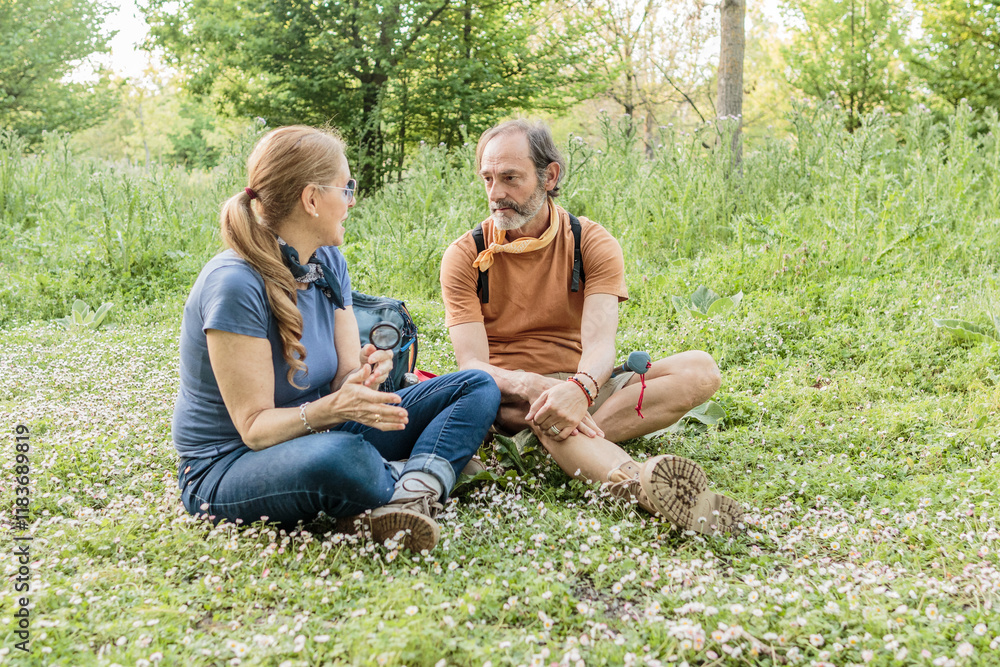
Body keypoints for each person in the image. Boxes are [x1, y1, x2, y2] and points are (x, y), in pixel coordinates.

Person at [172, 125, 500, 552]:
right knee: (344, 456)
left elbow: (344, 379)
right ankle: (424, 472)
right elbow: (253, 429)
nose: (351, 201)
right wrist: (335, 409)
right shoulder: (235, 284)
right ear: (311, 199)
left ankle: (404, 491)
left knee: (475, 386)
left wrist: (365, 376)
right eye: (346, 188)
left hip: (316, 434)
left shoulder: (327, 262)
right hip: (232, 464)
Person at [440, 120, 742, 535]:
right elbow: (472, 365)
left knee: (700, 368)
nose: (495, 194)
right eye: (488, 179)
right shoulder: (464, 255)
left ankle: (551, 444)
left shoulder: (590, 242)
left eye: (510, 178)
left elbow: (600, 345)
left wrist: (579, 391)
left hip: (587, 386)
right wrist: (533, 387)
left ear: (550, 175)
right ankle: (637, 484)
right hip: (512, 399)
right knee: (545, 410)